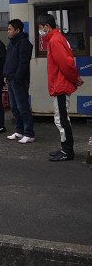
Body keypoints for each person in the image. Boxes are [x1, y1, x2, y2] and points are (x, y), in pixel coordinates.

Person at [37, 13, 84, 161]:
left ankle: (67, 151)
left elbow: (66, 64)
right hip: (60, 84)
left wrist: (75, 78)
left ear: (47, 26)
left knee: (61, 120)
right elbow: (67, 63)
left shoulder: (55, 40)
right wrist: (75, 78)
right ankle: (65, 148)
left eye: (40, 27)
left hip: (60, 86)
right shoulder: (57, 38)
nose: (40, 31)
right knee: (62, 118)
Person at [3, 19, 35, 143]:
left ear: (17, 30)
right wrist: (5, 75)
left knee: (23, 107)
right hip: (10, 79)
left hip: (19, 81)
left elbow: (23, 63)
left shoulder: (24, 43)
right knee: (14, 107)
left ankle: (29, 133)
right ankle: (19, 131)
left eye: (10, 29)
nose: (8, 32)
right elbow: (7, 61)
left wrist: (17, 78)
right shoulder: (11, 43)